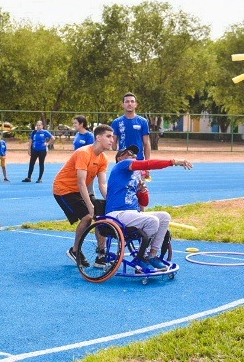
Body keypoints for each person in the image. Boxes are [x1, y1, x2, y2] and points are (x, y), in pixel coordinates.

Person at [104, 145, 192, 271]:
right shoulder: (121, 165)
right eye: (129, 153)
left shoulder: (135, 177)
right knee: (152, 221)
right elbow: (148, 164)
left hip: (132, 214)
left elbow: (144, 203)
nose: (133, 156)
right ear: (120, 158)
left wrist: (142, 191)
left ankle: (152, 255)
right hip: (117, 214)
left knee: (164, 217)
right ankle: (142, 257)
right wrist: (174, 162)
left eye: (135, 154)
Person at [53, 124, 114, 267]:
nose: (112, 140)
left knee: (101, 216)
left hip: (80, 190)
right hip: (64, 189)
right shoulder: (84, 153)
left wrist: (111, 201)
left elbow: (102, 185)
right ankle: (75, 250)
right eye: (108, 136)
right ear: (98, 138)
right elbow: (81, 182)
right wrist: (90, 205)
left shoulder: (103, 158)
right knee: (87, 216)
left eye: (112, 136)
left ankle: (101, 254)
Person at [111, 92, 151, 160]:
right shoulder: (116, 122)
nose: (129, 104)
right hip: (123, 161)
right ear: (123, 104)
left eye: (132, 101)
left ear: (136, 105)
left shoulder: (143, 121)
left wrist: (147, 163)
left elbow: (146, 144)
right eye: (127, 101)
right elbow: (113, 146)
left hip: (138, 160)